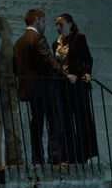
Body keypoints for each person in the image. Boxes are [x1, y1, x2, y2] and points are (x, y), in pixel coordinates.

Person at [13, 9, 76, 165]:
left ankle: (37, 158)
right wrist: (65, 74)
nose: (44, 25)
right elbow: (48, 59)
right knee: (54, 121)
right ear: (36, 20)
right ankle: (54, 157)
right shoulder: (38, 37)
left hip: (29, 89)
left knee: (36, 123)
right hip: (45, 88)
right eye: (43, 21)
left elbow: (16, 67)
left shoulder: (18, 42)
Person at [52, 13, 98, 164]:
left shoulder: (78, 38)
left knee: (82, 119)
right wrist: (64, 75)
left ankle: (84, 155)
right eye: (56, 24)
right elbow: (56, 65)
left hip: (77, 84)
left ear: (70, 24)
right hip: (63, 86)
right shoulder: (55, 43)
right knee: (66, 121)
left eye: (61, 24)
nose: (58, 27)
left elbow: (88, 59)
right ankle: (69, 155)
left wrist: (87, 73)